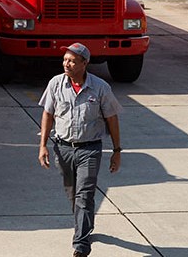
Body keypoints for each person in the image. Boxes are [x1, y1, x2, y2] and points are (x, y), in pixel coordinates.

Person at [36, 42, 123, 257]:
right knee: (73, 194)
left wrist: (117, 150)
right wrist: (43, 146)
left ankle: (81, 245)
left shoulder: (100, 88)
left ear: (85, 63)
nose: (66, 64)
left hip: (90, 150)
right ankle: (86, 224)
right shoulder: (56, 84)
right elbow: (48, 114)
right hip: (63, 149)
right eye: (65, 59)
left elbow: (112, 118)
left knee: (85, 195)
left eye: (72, 61)